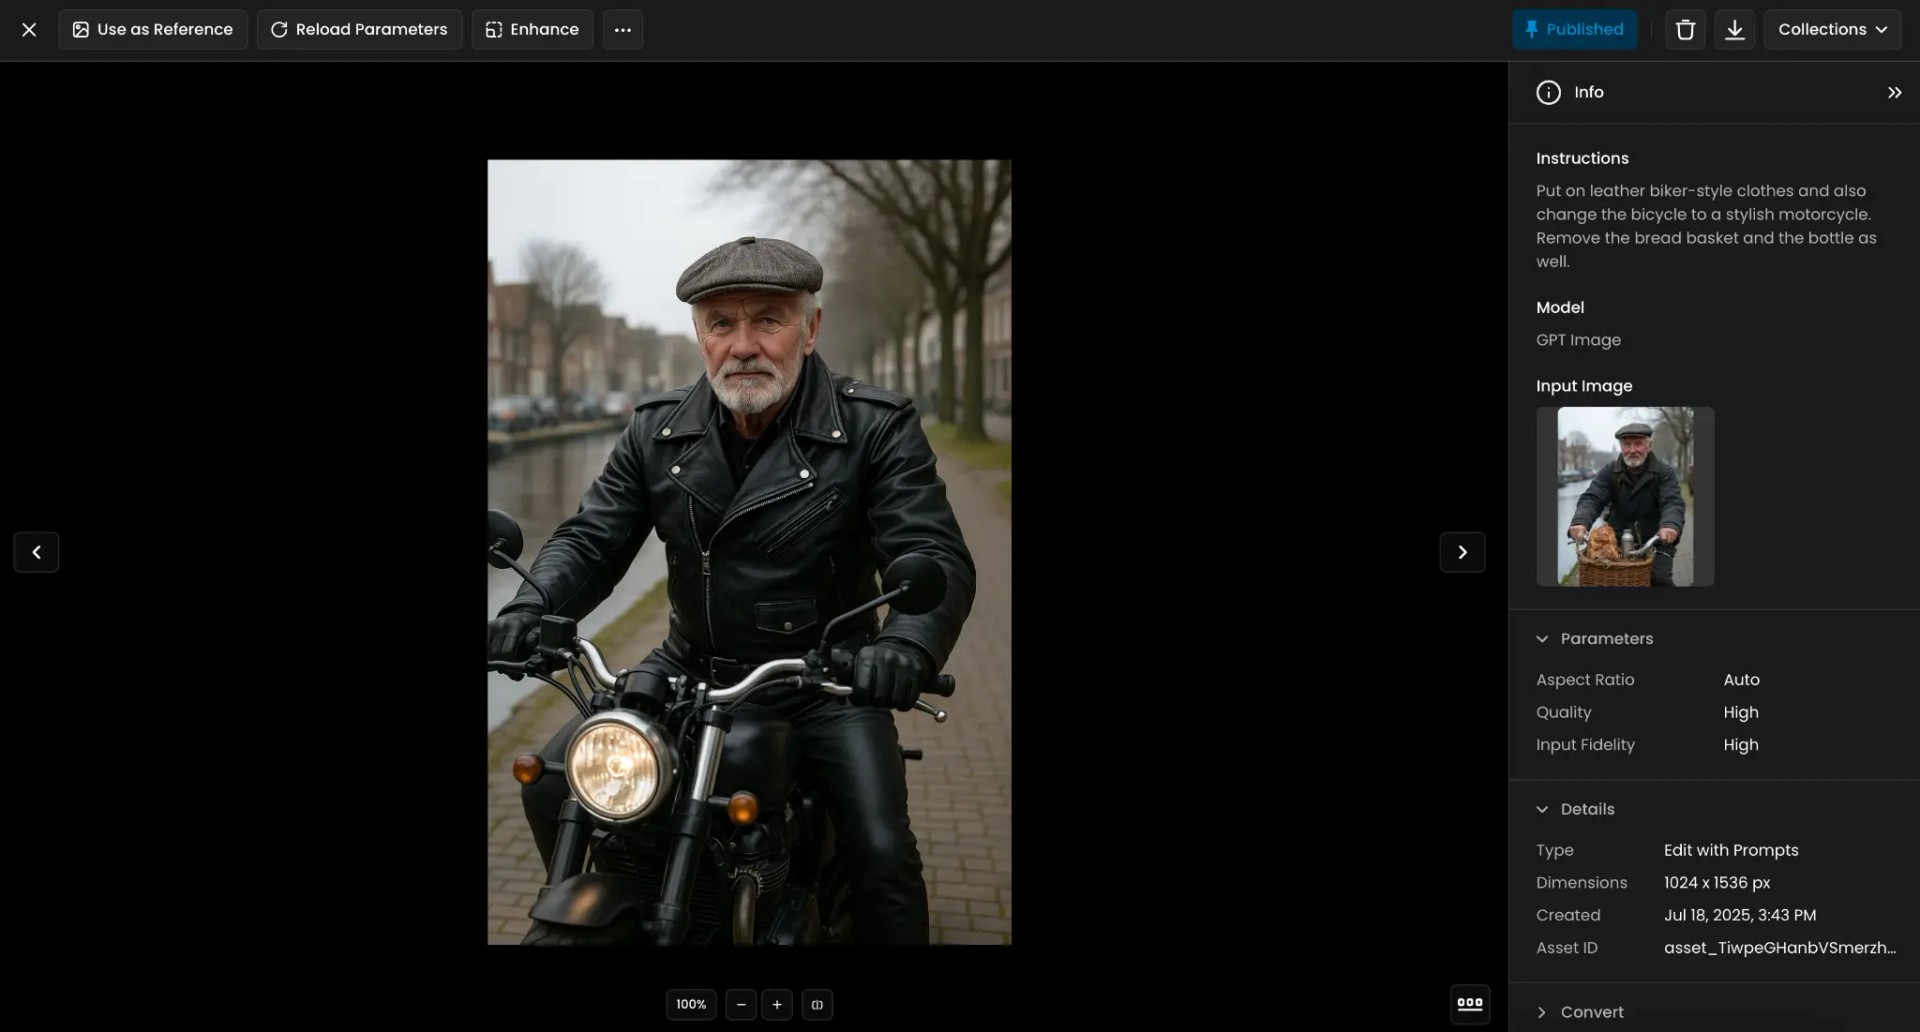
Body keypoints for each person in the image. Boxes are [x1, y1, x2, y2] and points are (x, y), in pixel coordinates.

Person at [486, 235, 976, 944]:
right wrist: (531, 607)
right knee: (557, 783)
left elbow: (931, 551)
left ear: (810, 328)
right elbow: (593, 538)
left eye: (768, 320)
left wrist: (904, 645)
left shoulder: (875, 426)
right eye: (722, 323)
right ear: (701, 336)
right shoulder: (656, 430)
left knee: (882, 852)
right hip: (686, 667)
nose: (743, 345)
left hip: (824, 680)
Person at [1568, 422, 1685, 587]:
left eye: (1638, 444)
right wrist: (1580, 522)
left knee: (1659, 578)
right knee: (1603, 579)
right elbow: (1592, 498)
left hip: (1655, 541)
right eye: (1627, 445)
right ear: (1621, 447)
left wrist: (1670, 526)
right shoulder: (1610, 471)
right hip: (1615, 541)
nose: (1632, 450)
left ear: (1649, 446)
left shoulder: (1664, 473)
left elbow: (1672, 502)